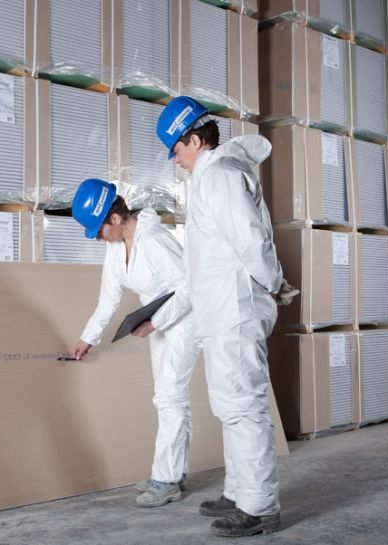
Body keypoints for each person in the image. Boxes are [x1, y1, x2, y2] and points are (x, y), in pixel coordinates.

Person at [155, 96, 284, 537]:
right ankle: (239, 491)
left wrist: (273, 283)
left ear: (194, 140)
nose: (175, 159)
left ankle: (259, 506)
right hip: (221, 312)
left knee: (243, 408)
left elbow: (251, 240)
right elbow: (204, 263)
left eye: (176, 149)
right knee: (231, 407)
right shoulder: (211, 179)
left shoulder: (221, 177)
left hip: (236, 310)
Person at [69, 178, 200, 508]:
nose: (97, 238)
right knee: (166, 397)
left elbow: (190, 288)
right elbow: (109, 297)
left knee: (170, 395)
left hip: (183, 320)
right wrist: (88, 337)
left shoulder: (154, 240)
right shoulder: (116, 249)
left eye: (98, 230)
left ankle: (166, 479)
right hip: (156, 322)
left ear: (115, 218)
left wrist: (156, 321)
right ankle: (174, 472)